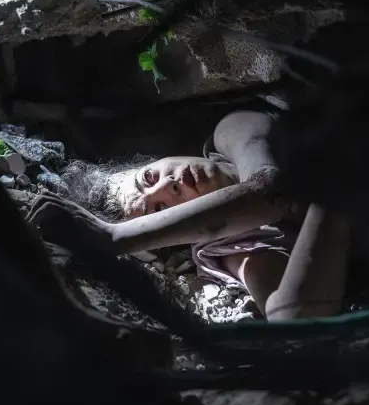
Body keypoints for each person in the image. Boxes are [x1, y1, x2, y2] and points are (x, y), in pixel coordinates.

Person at [30, 110, 352, 321]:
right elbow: (295, 317)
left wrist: (114, 237)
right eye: (159, 209)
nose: (169, 186)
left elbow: (270, 190)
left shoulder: (229, 132)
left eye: (149, 178)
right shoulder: (231, 251)